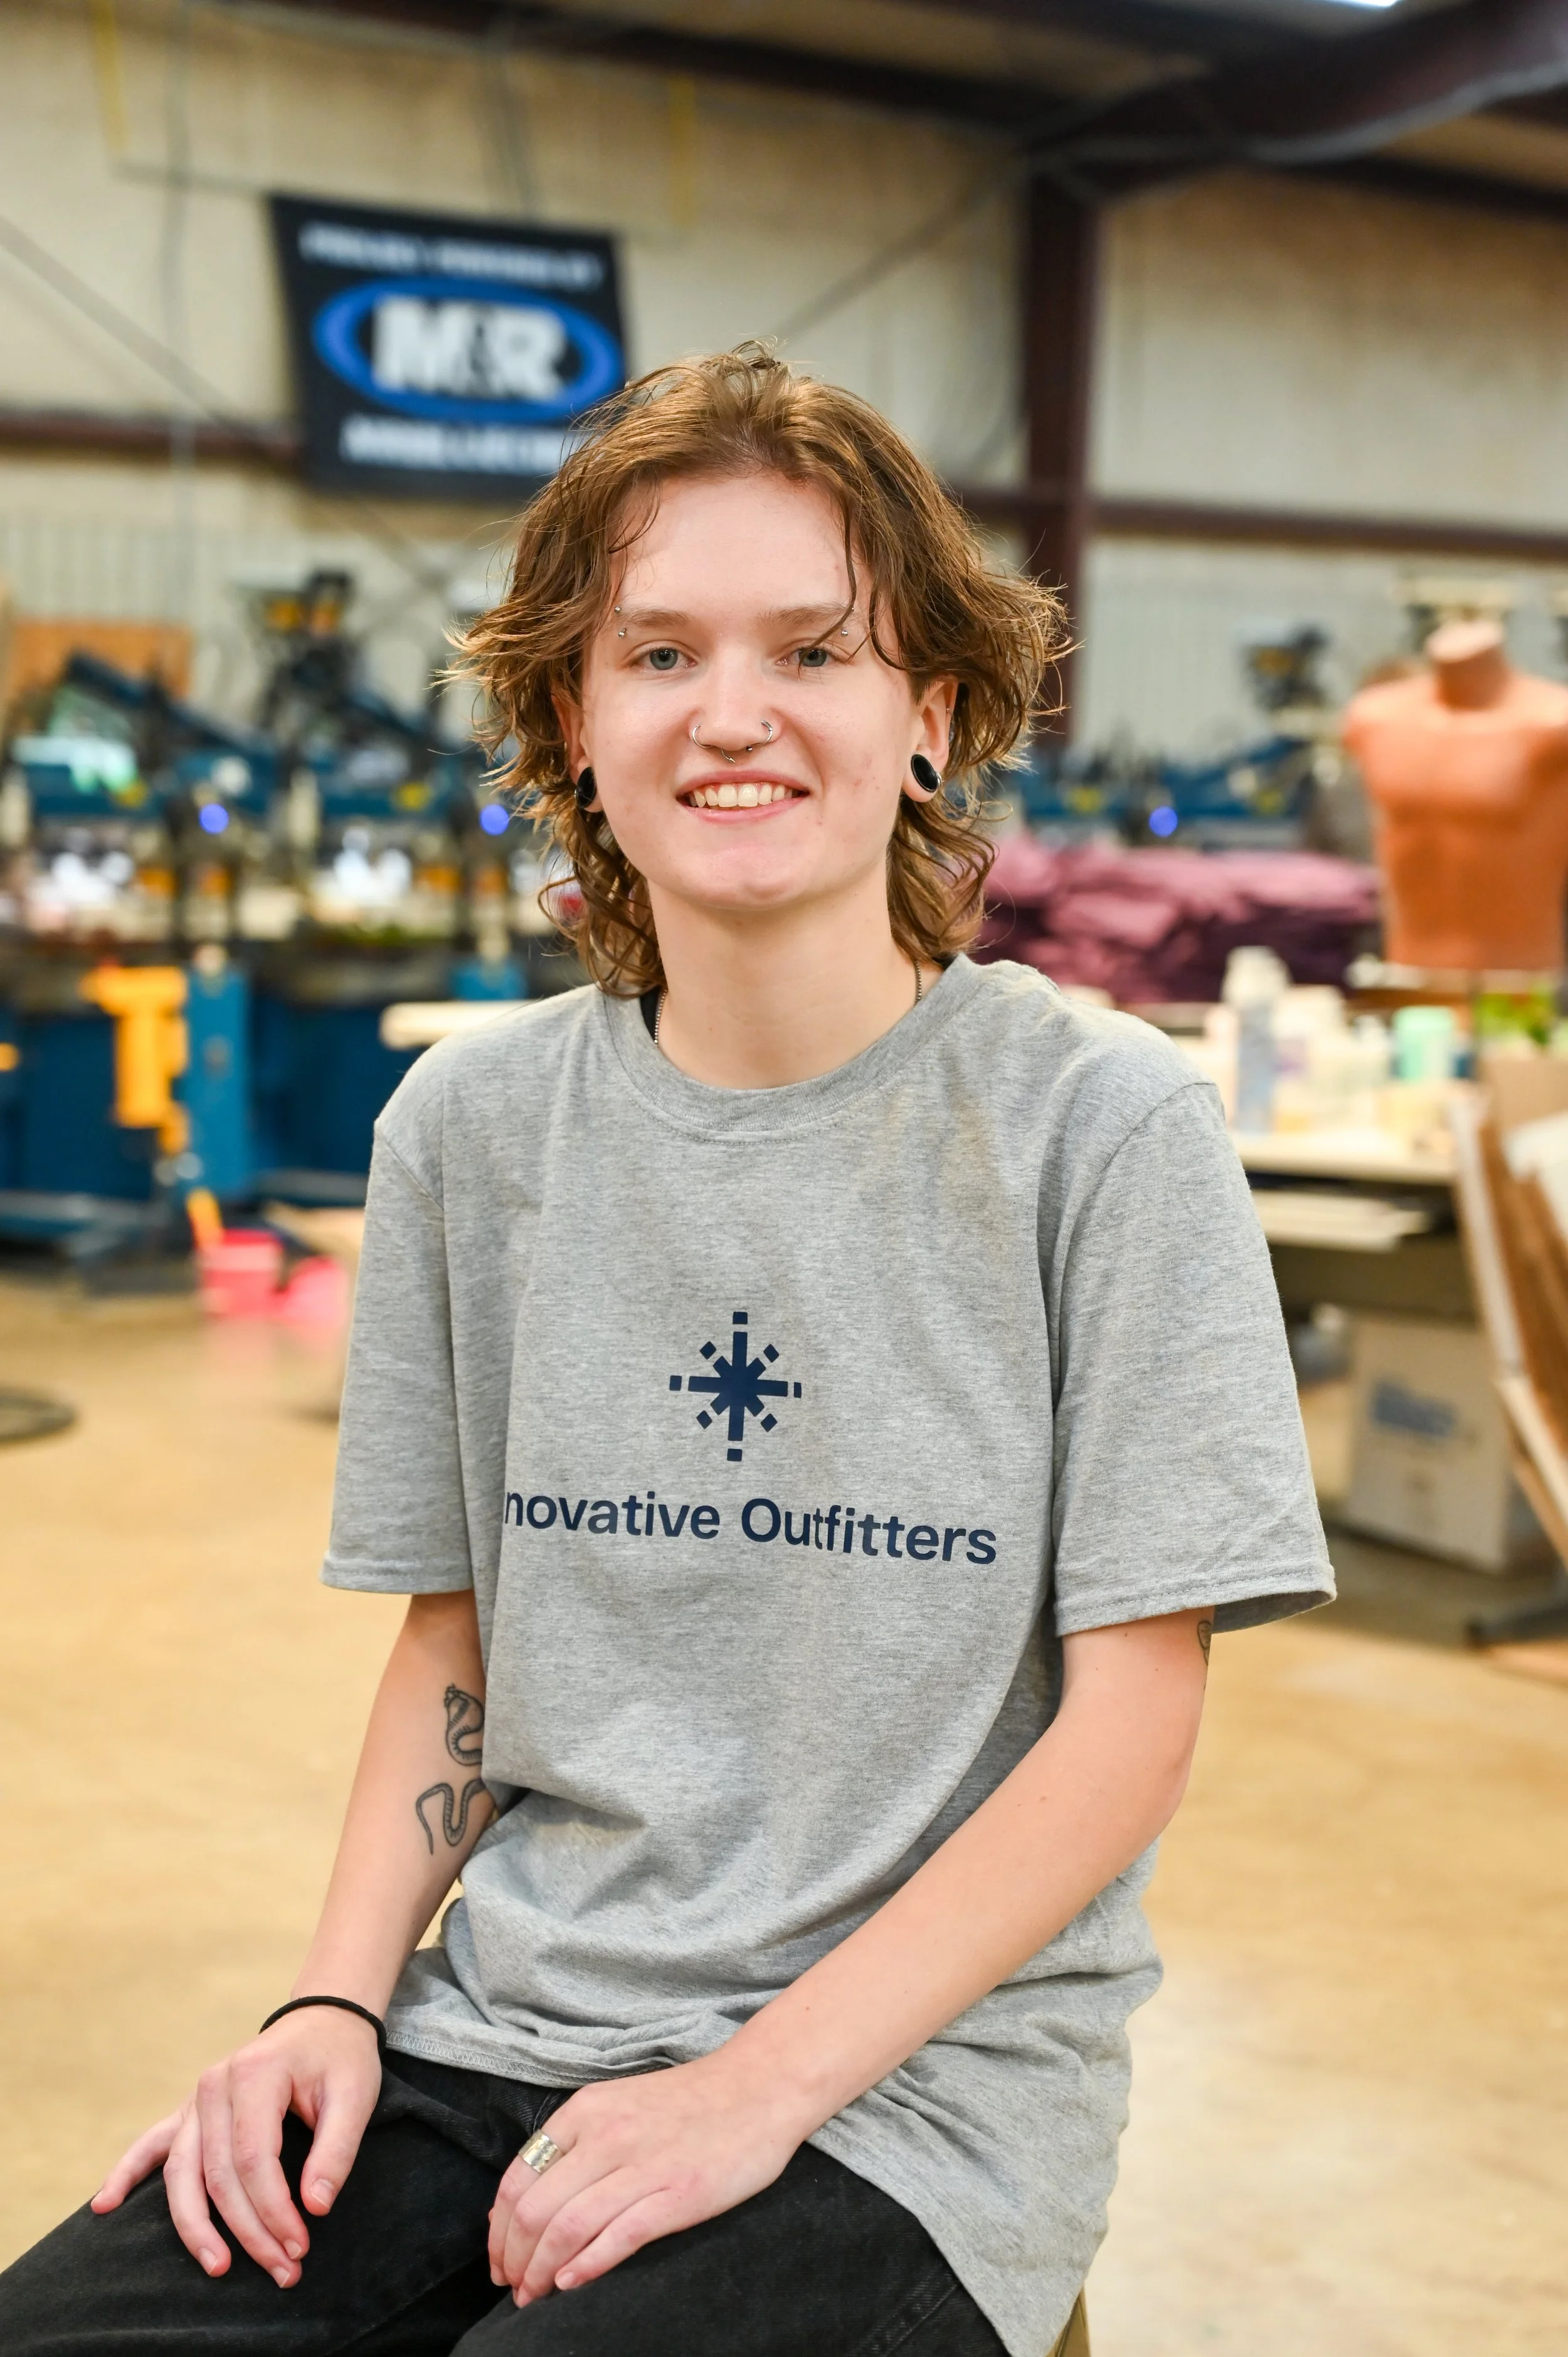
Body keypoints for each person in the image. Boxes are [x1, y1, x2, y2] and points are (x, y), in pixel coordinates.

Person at [0, 346, 1332, 2357]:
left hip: (912, 2102)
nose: (734, 714)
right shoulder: (470, 1132)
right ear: (570, 717)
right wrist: (329, 2006)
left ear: (927, 717)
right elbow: (456, 1644)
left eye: (814, 649)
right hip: (498, 2031)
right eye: (658, 654)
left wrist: (754, 2088)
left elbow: (1125, 1727)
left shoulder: (1101, 1132)